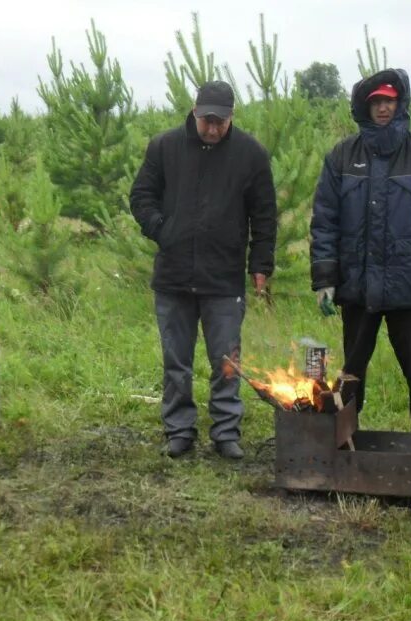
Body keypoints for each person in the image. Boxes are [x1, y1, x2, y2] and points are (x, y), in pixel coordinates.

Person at [130, 81, 277, 460]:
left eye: (220, 121)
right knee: (176, 361)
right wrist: (163, 230)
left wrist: (260, 264)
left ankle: (226, 432)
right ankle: (179, 430)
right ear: (194, 111)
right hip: (174, 277)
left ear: (231, 117)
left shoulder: (251, 155)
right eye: (206, 120)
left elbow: (264, 215)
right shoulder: (164, 147)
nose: (212, 128)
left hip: (224, 279)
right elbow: (141, 196)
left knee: (226, 362)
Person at [310, 68, 411, 434]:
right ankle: (345, 437)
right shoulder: (341, 156)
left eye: (389, 101)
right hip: (356, 288)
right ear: (365, 106)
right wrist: (325, 279)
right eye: (376, 102)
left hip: (408, 288)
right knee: (351, 371)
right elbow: (324, 220)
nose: (382, 109)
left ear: (399, 103)